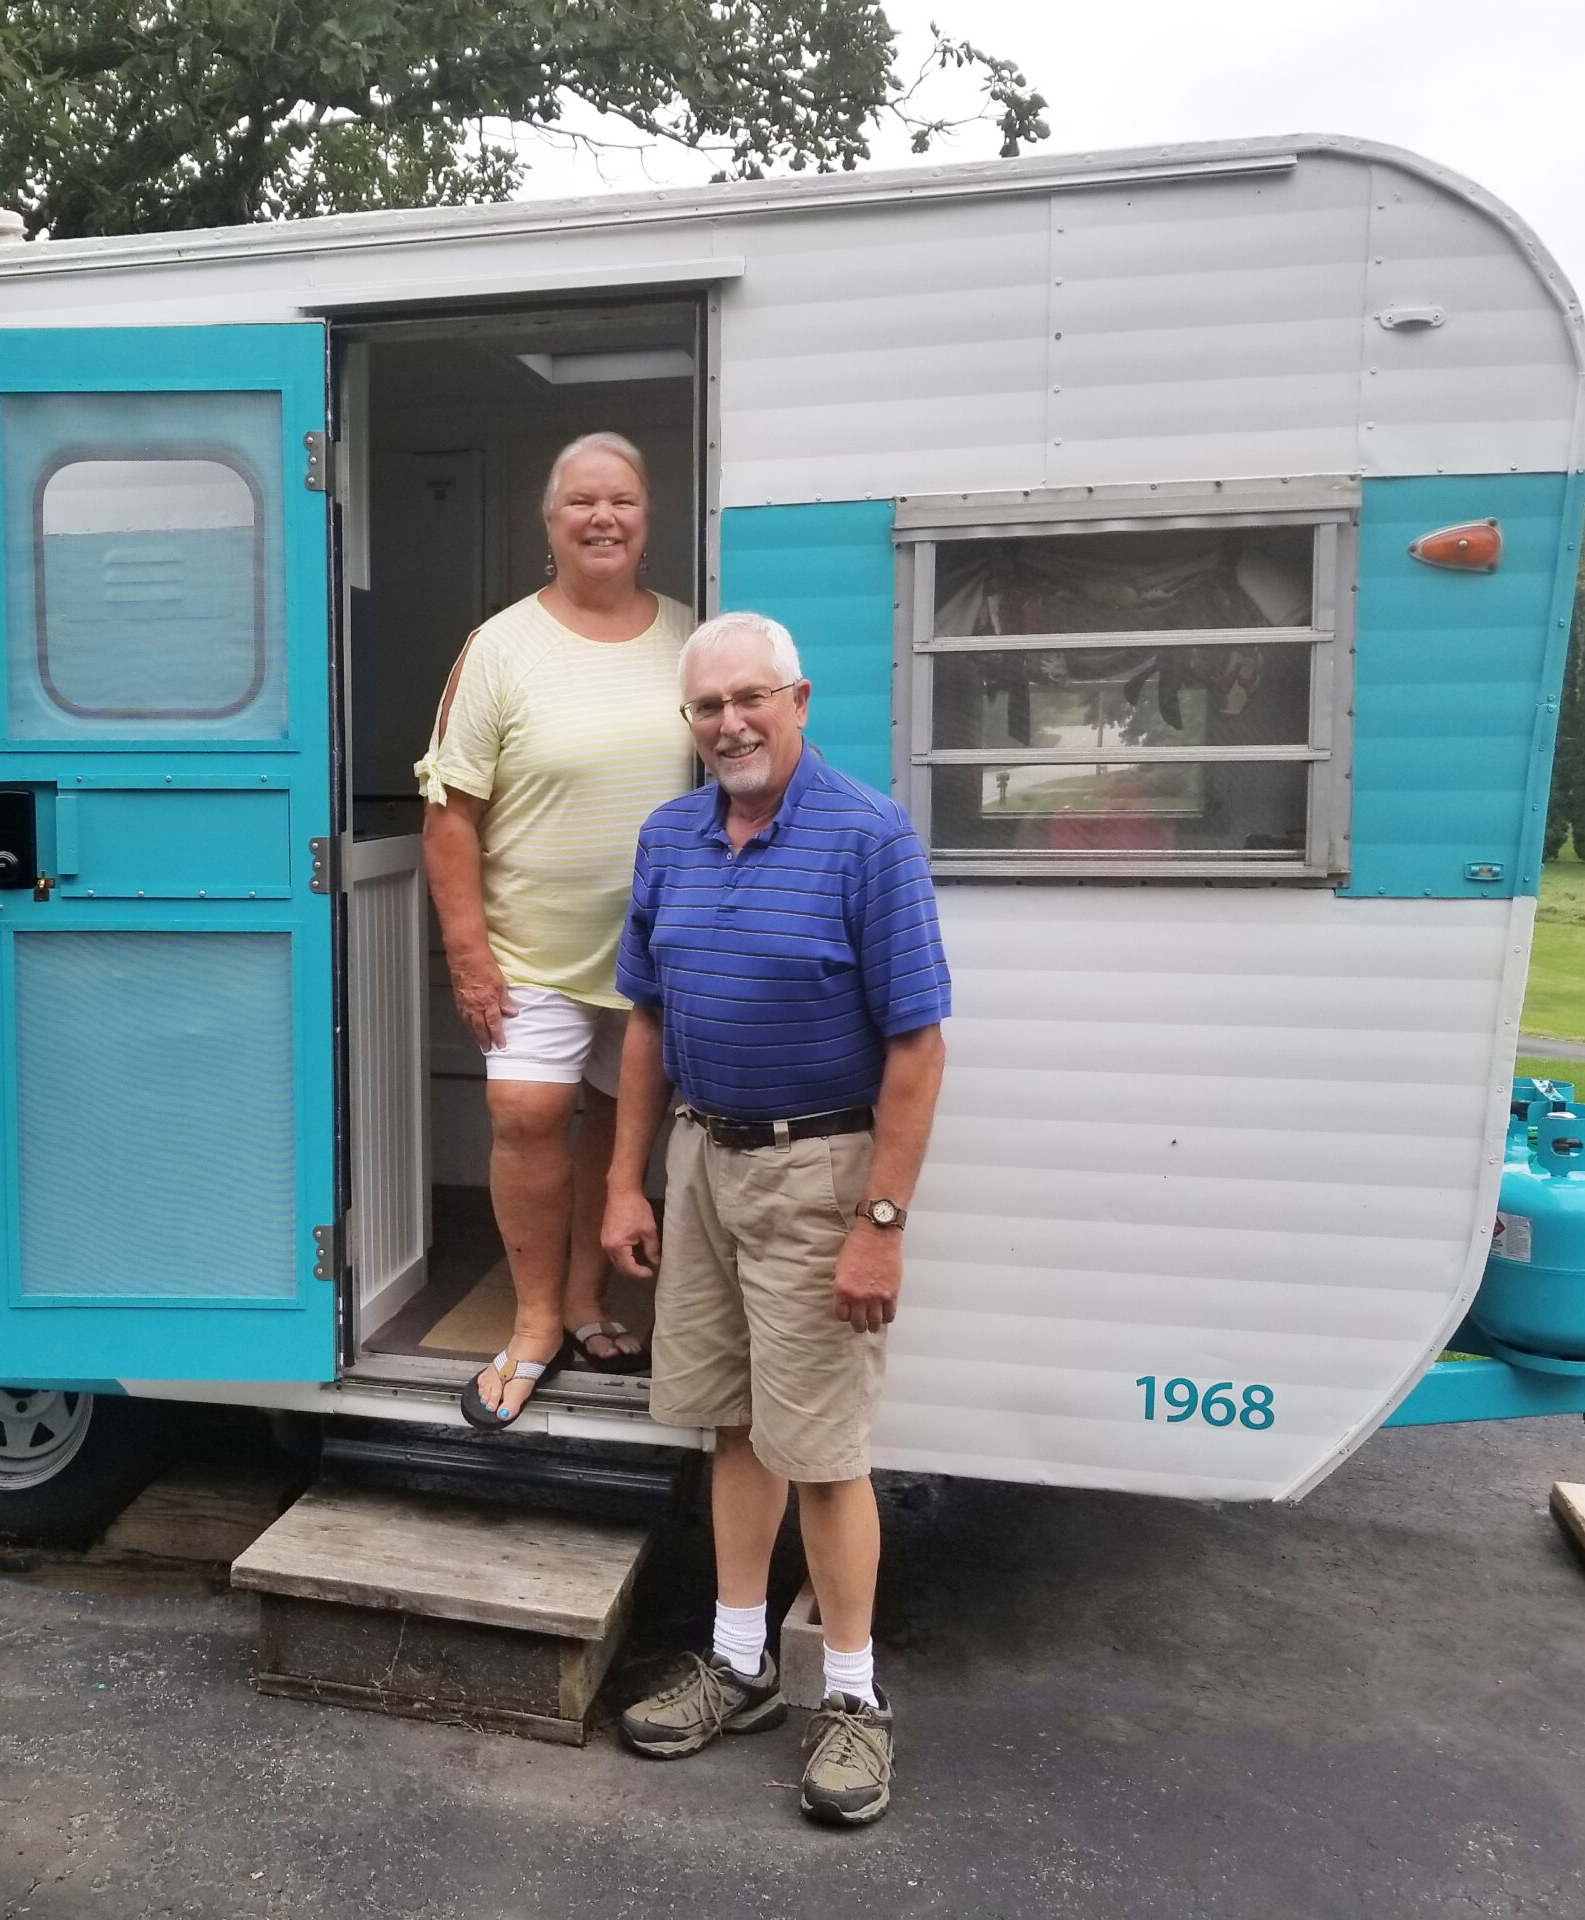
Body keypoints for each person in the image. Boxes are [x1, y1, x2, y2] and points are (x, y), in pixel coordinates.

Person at [601, 610, 950, 1828]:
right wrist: (624, 1181)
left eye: (751, 698)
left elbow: (917, 1048)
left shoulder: (867, 836)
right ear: (688, 722)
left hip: (820, 1172)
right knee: (733, 1427)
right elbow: (646, 1021)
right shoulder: (670, 836)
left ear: (798, 700)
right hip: (701, 1159)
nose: (730, 723)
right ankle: (738, 1663)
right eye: (708, 706)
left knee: (826, 1451)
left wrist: (880, 1222)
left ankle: (851, 1698)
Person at [415, 432, 696, 1430]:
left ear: (648, 519)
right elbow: (450, 815)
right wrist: (468, 956)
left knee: (619, 1128)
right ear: (549, 522)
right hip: (529, 950)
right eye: (581, 501)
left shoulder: (691, 638)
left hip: (655, 956)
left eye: (622, 500)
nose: (602, 518)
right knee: (529, 1115)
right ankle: (534, 1318)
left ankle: (585, 1299)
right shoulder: (499, 646)